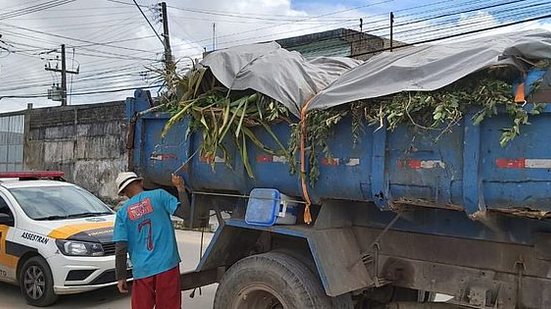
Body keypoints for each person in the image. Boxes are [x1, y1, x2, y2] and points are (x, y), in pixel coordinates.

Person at [113, 172, 190, 309]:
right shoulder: (159, 195)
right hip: (167, 264)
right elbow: (185, 214)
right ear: (141, 182)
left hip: (142, 270)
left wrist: (121, 277)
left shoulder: (122, 213)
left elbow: (121, 248)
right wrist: (180, 188)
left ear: (124, 192)